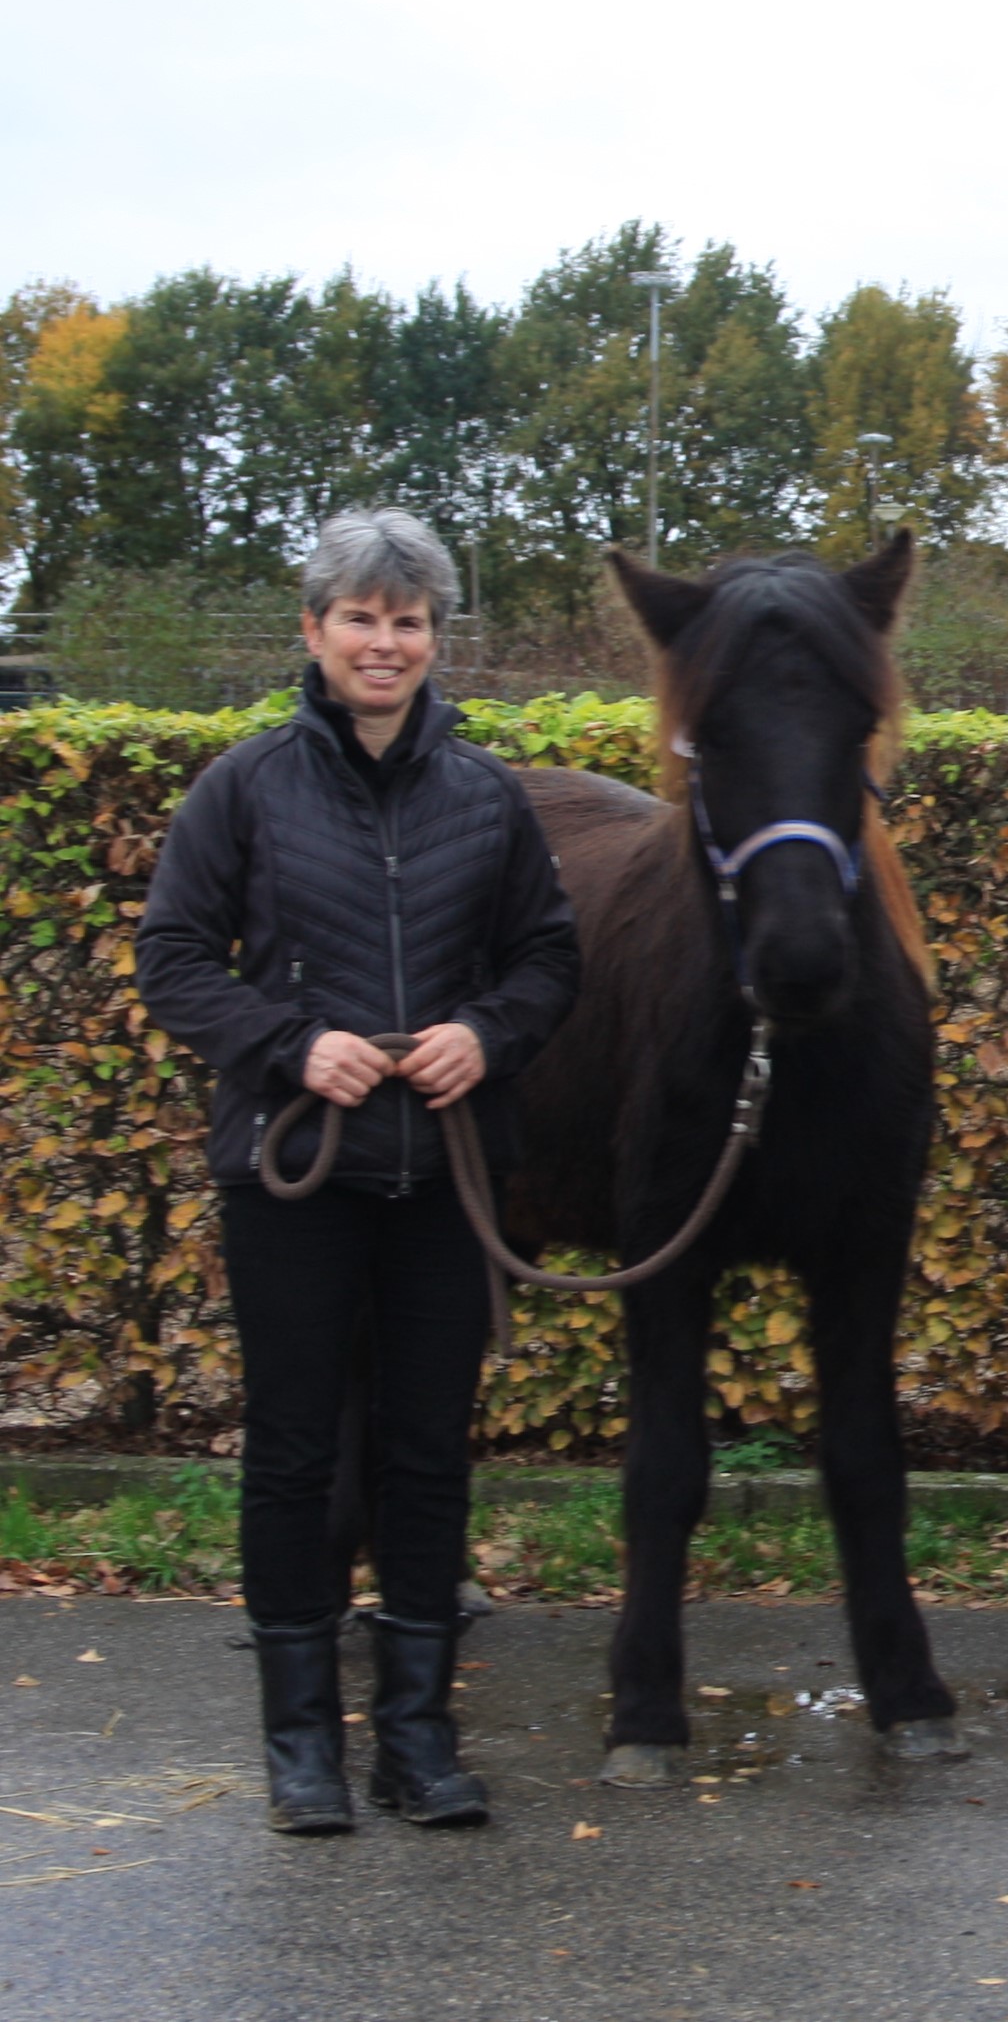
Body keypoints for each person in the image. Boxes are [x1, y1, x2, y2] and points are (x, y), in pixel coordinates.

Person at [135, 508, 578, 1835]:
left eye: (409, 621)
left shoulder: (486, 795)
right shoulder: (246, 786)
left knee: (429, 1453)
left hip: (443, 1172)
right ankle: (299, 1746)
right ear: (315, 632)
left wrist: (482, 1037)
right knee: (288, 1450)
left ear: (433, 639)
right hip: (295, 1177)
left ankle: (418, 1738)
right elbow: (173, 959)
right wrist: (291, 1044)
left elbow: (547, 960)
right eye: (362, 618)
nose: (385, 643)